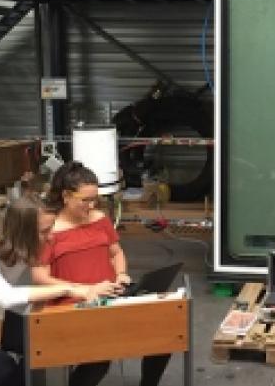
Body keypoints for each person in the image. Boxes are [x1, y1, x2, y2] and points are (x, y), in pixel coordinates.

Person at [0, 196, 120, 386]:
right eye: (45, 231)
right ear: (23, 233)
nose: (51, 236)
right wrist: (69, 290)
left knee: (46, 344)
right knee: (3, 369)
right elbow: (4, 296)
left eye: (51, 228)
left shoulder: (21, 252)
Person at [32, 161, 171, 386]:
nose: (91, 205)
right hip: (72, 305)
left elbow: (116, 253)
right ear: (66, 196)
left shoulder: (99, 219)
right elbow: (40, 277)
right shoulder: (49, 229)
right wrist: (86, 289)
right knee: (99, 358)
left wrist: (122, 274)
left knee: (164, 333)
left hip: (110, 297)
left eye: (94, 199)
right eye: (85, 200)